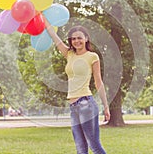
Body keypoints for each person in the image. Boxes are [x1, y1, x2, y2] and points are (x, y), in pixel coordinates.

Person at [45, 19, 110, 154]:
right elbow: (53, 35)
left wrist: (106, 106)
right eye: (73, 39)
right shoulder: (70, 55)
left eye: (79, 38)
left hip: (86, 103)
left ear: (86, 39)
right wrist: (41, 16)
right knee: (80, 148)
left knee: (94, 145)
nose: (76, 41)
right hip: (73, 106)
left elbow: (98, 82)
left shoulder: (92, 56)